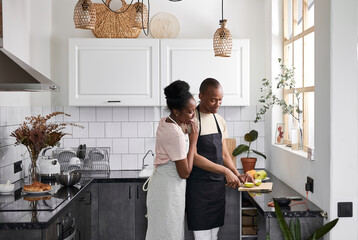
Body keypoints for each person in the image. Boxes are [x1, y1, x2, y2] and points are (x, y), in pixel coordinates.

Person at [186, 78, 253, 240]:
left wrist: (237, 175)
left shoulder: (219, 120)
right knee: (202, 237)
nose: (217, 104)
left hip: (217, 189)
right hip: (198, 189)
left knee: (214, 236)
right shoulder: (191, 121)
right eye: (213, 100)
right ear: (201, 96)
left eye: (220, 100)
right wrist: (225, 171)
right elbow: (193, 157)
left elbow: (224, 155)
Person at [145, 80, 199, 240]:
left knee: (163, 232)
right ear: (176, 111)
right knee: (169, 233)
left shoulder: (166, 122)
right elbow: (185, 172)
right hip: (168, 190)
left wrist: (184, 129)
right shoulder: (175, 133)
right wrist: (193, 139)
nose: (193, 115)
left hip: (164, 187)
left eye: (194, 110)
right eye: (190, 112)